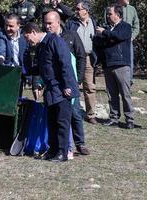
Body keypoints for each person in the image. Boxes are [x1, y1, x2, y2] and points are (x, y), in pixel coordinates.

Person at [23, 22, 79, 162]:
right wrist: (24, 71)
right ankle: (53, 150)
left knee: (62, 122)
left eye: (27, 37)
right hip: (51, 89)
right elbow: (41, 68)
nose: (27, 41)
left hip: (62, 88)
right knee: (52, 121)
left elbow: (65, 63)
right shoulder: (41, 46)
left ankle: (62, 152)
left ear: (33, 32)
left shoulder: (55, 41)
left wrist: (68, 86)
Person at [44, 11, 90, 159]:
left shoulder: (71, 35)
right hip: (56, 86)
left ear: (58, 22)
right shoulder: (47, 40)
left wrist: (77, 80)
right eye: (45, 23)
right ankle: (61, 148)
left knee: (75, 113)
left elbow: (81, 56)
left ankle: (80, 143)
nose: (47, 26)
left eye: (50, 23)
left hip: (70, 83)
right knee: (59, 117)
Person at [96, 4, 134, 129]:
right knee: (111, 94)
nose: (107, 16)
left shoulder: (126, 27)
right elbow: (100, 43)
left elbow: (119, 36)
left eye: (109, 13)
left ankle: (129, 119)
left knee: (125, 93)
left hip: (121, 65)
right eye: (107, 14)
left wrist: (105, 33)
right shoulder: (107, 29)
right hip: (108, 65)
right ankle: (114, 118)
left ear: (118, 15)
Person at [65, 0, 99, 125]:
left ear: (86, 11)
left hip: (89, 58)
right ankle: (71, 112)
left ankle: (91, 115)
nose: (77, 11)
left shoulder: (94, 23)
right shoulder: (71, 23)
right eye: (76, 9)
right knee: (73, 84)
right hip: (75, 58)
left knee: (89, 86)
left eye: (79, 9)